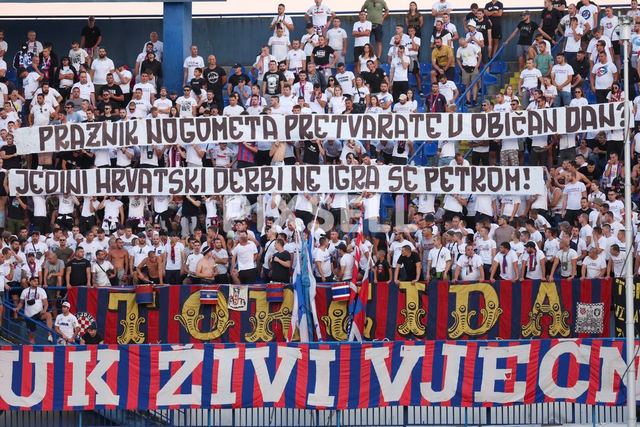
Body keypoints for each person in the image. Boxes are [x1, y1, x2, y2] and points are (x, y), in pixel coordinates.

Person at [14, 276, 53, 343]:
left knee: (48, 315)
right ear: (30, 282)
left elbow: (46, 303)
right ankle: (32, 347)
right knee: (31, 336)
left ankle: (49, 335)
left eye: (37, 281)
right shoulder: (25, 291)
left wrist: (44, 310)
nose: (36, 282)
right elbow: (21, 303)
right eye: (35, 281)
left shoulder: (41, 290)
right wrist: (17, 308)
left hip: (39, 313)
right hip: (29, 316)